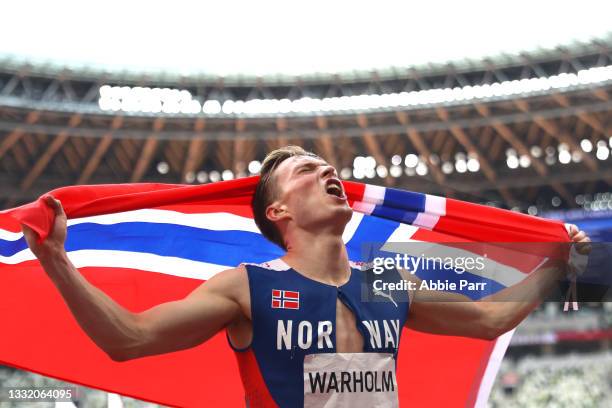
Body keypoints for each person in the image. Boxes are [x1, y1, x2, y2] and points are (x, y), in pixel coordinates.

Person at [22, 146, 591, 407]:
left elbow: (489, 319)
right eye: (305, 171)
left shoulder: (386, 283)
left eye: (327, 166)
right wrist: (58, 263)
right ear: (279, 213)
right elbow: (129, 340)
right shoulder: (245, 286)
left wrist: (555, 267)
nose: (327, 170)